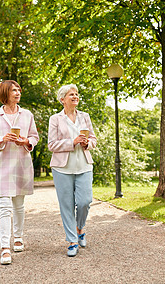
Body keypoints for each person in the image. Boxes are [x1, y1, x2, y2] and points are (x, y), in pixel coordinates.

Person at [0, 80, 39, 265]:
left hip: (21, 164)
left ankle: (18, 237)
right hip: (1, 166)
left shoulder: (27, 115)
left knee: (19, 205)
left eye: (19, 90)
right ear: (5, 93)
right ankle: (5, 248)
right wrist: (2, 139)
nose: (17, 93)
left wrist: (26, 141)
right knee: (4, 206)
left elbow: (35, 137)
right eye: (14, 90)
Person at [48, 84, 97, 257]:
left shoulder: (85, 117)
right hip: (62, 168)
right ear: (62, 99)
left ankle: (80, 227)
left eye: (76, 94)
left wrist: (87, 143)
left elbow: (93, 139)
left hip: (84, 165)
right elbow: (51, 145)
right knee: (66, 205)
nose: (75, 96)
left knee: (85, 201)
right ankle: (72, 241)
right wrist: (73, 142)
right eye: (71, 94)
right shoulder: (55, 119)